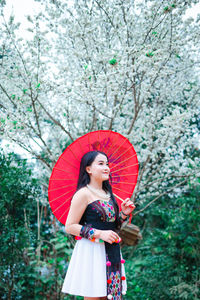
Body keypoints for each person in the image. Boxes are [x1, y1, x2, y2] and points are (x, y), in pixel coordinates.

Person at [62, 150, 135, 300]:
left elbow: (114, 226)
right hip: (92, 251)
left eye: (107, 164)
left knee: (111, 296)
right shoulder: (83, 194)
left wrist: (124, 213)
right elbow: (70, 226)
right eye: (101, 164)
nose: (106, 167)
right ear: (88, 169)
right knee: (94, 296)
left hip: (111, 250)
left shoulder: (109, 194)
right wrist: (100, 234)